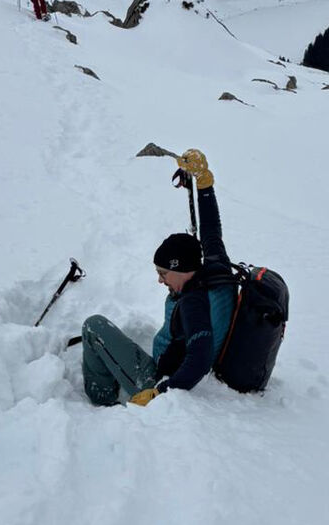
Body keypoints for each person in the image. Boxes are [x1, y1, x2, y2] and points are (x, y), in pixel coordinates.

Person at [81, 150, 238, 407]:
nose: (160, 281)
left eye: (163, 274)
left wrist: (160, 391)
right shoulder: (216, 269)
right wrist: (204, 182)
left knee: (93, 327)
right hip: (175, 368)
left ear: (181, 268)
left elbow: (200, 358)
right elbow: (211, 231)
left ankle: (102, 400)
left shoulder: (194, 302)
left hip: (159, 379)